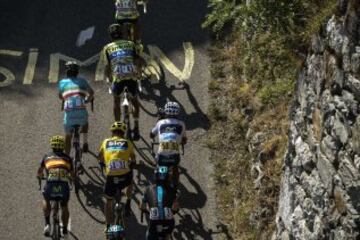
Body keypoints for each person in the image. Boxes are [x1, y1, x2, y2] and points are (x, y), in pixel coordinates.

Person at [102, 23, 143, 140]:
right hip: (131, 76)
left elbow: (108, 66)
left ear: (110, 36)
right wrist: (139, 72)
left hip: (118, 78)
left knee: (116, 99)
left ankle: (117, 126)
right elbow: (138, 60)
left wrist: (109, 79)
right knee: (135, 99)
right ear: (122, 33)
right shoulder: (130, 44)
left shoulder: (107, 48)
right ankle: (136, 126)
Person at [98, 121, 136, 233]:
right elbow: (133, 158)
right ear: (123, 133)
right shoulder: (127, 142)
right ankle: (128, 201)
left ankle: (108, 226)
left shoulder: (106, 142)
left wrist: (102, 164)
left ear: (112, 133)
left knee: (108, 201)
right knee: (130, 182)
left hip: (111, 175)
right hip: (125, 174)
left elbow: (100, 156)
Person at [37, 135, 73, 239]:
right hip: (63, 187)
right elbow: (72, 174)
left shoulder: (46, 156)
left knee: (46, 199)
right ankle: (65, 230)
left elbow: (40, 172)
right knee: (64, 206)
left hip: (50, 186)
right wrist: (72, 178)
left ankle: (47, 224)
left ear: (52, 147)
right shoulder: (68, 158)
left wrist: (39, 177)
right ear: (63, 147)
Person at [58, 61, 94, 155]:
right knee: (85, 123)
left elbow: (61, 96)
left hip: (69, 115)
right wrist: (86, 100)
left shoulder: (62, 82)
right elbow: (91, 93)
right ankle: (85, 142)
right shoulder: (82, 81)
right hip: (81, 113)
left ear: (66, 72)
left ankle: (67, 157)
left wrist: (65, 99)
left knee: (68, 136)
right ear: (77, 72)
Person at [150, 102, 187, 189]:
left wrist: (152, 136)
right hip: (174, 154)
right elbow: (184, 139)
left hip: (162, 153)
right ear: (178, 113)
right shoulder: (181, 124)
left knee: (158, 164)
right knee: (175, 168)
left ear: (165, 112)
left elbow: (151, 134)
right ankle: (175, 187)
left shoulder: (160, 122)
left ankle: (157, 179)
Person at [141, 166, 179, 240]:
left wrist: (144, 210)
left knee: (150, 234)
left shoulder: (148, 189)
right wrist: (174, 211)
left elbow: (143, 206)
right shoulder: (172, 190)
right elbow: (176, 207)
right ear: (168, 177)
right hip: (168, 222)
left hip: (153, 222)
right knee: (167, 234)